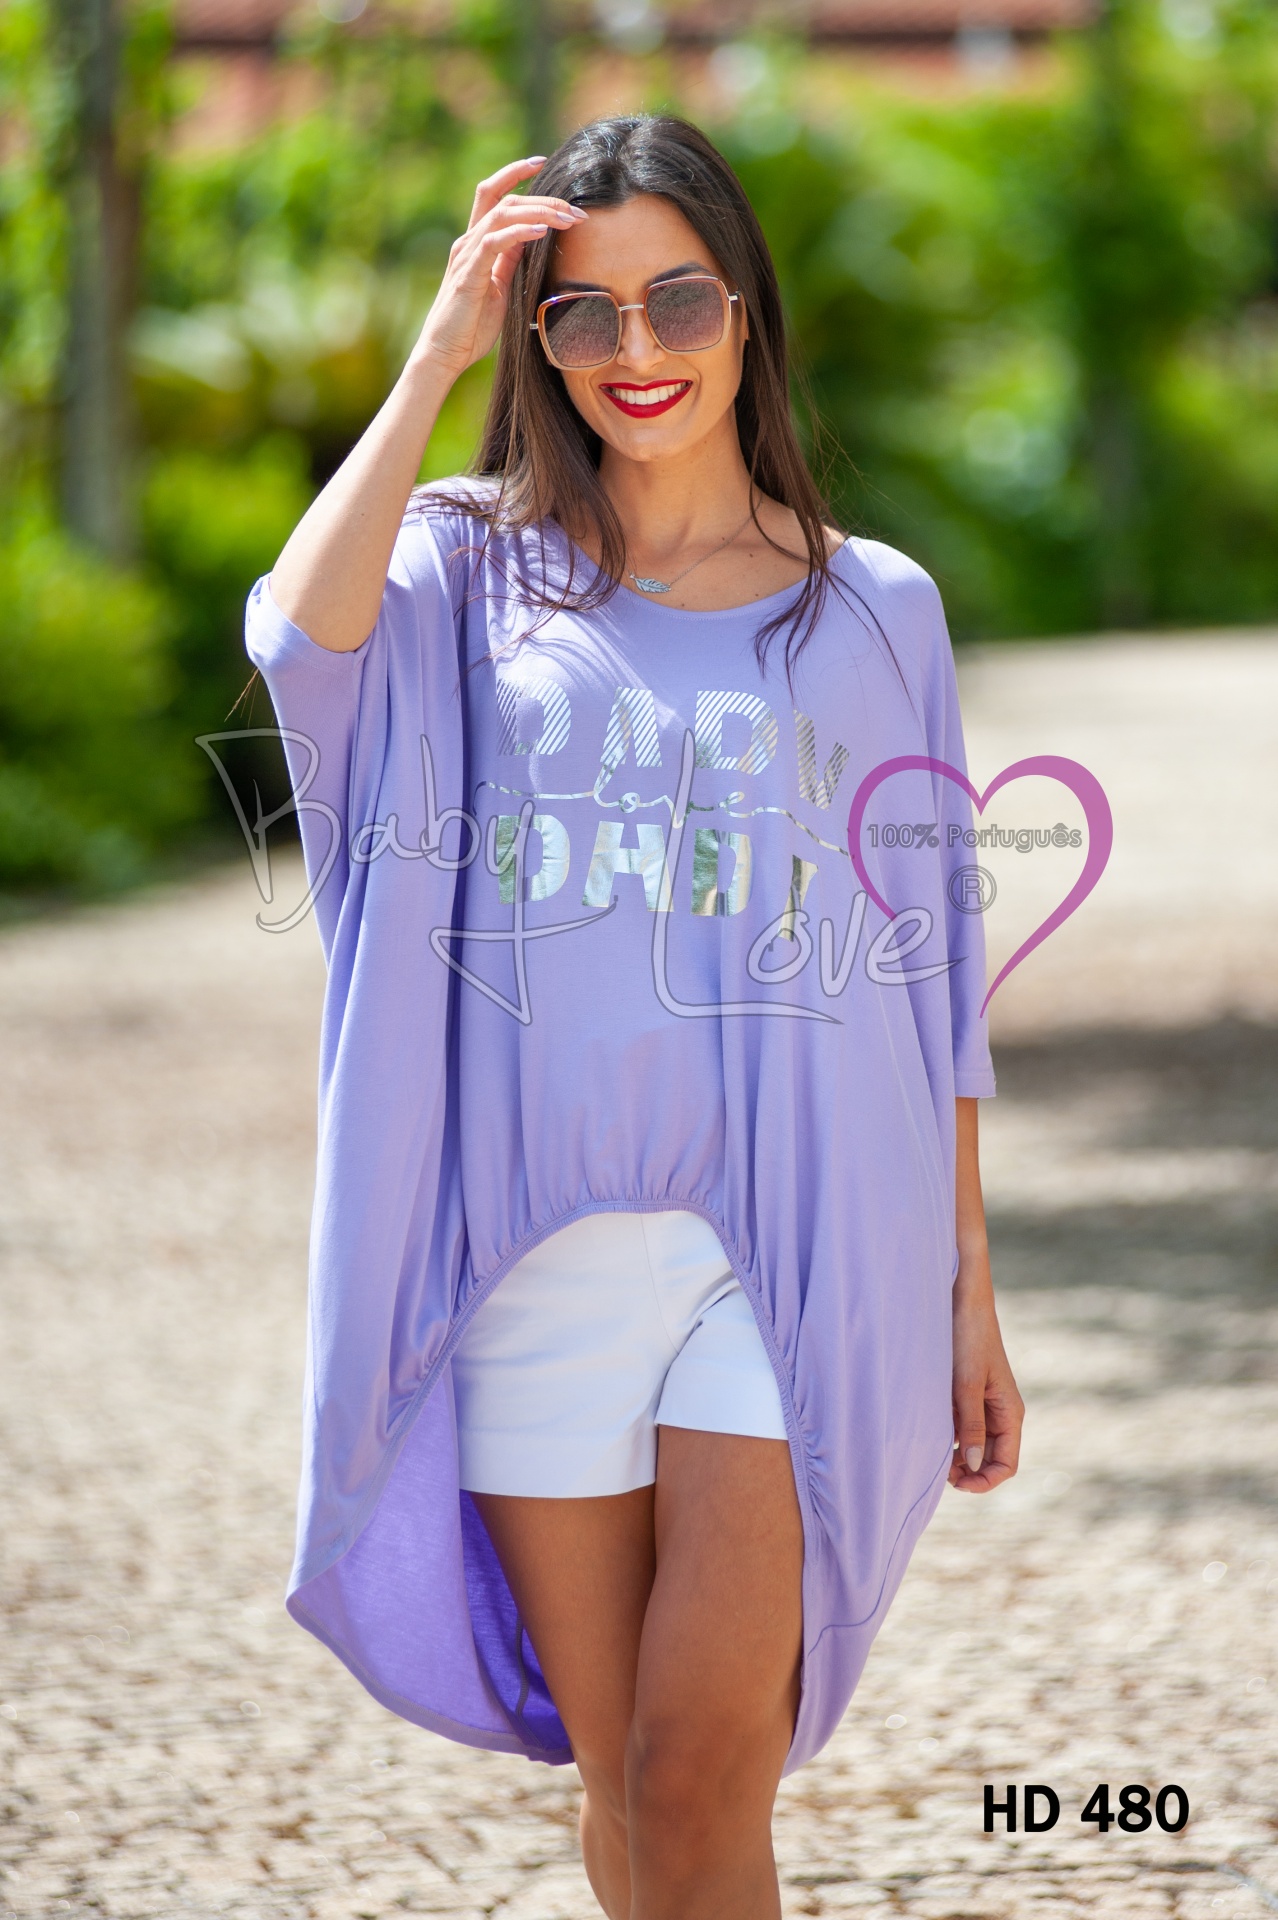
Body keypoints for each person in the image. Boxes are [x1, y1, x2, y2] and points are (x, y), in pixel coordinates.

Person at [247, 114, 1023, 1920]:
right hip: (529, 1267)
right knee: (628, 1793)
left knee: (694, 1768)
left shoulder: (874, 610)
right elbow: (298, 638)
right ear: (537, 341)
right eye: (581, 315)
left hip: (799, 1253)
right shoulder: (458, 574)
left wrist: (970, 1283)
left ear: (745, 311)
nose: (637, 351)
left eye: (677, 300)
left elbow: (931, 965)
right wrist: (436, 353)